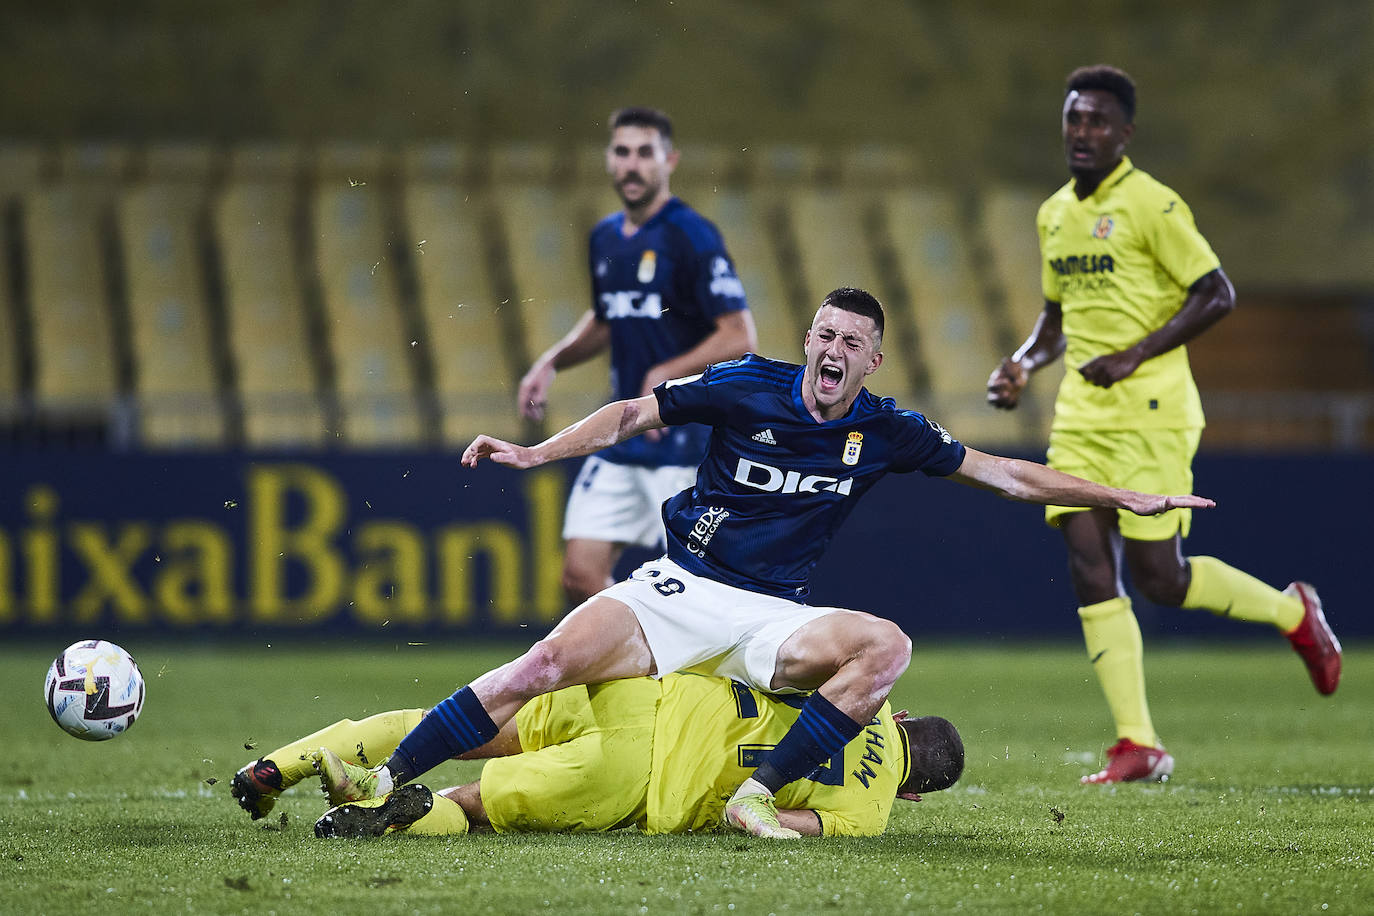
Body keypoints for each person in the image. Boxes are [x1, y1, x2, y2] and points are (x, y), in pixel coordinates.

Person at [319, 286, 1211, 841]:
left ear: (872, 359)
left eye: (850, 342)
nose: (831, 351)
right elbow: (635, 414)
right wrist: (535, 454)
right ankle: (384, 778)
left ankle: (756, 797)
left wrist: (1120, 497)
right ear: (812, 339)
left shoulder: (888, 429)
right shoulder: (750, 380)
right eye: (824, 333)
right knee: (543, 666)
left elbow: (1005, 473)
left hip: (767, 615)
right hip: (677, 590)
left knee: (886, 648)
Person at [985, 65, 1341, 786]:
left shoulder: (1153, 204)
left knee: (1160, 579)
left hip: (1151, 413)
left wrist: (1136, 352)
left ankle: (1291, 612)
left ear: (1125, 134)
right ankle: (1137, 742)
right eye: (1073, 119)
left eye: (1097, 121)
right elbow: (1056, 318)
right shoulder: (1054, 213)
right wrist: (1023, 363)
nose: (1082, 132)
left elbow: (1218, 292)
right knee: (1088, 558)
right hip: (1083, 418)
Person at [231, 673, 965, 838]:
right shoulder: (869, 811)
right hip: (637, 780)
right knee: (472, 807)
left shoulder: (849, 684)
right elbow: (763, 823)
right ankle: (390, 814)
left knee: (445, 726)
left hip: (638, 695)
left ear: (896, 714)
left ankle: (278, 769)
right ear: (913, 794)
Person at [516, 105, 756, 605]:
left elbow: (739, 335)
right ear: (609, 159)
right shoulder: (605, 237)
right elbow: (608, 318)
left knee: (700, 588)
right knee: (580, 574)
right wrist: (552, 361)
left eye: (645, 153)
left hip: (685, 438)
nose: (632, 164)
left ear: (669, 160)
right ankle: (643, 664)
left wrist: (665, 373)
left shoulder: (691, 234)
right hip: (625, 433)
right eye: (622, 152)